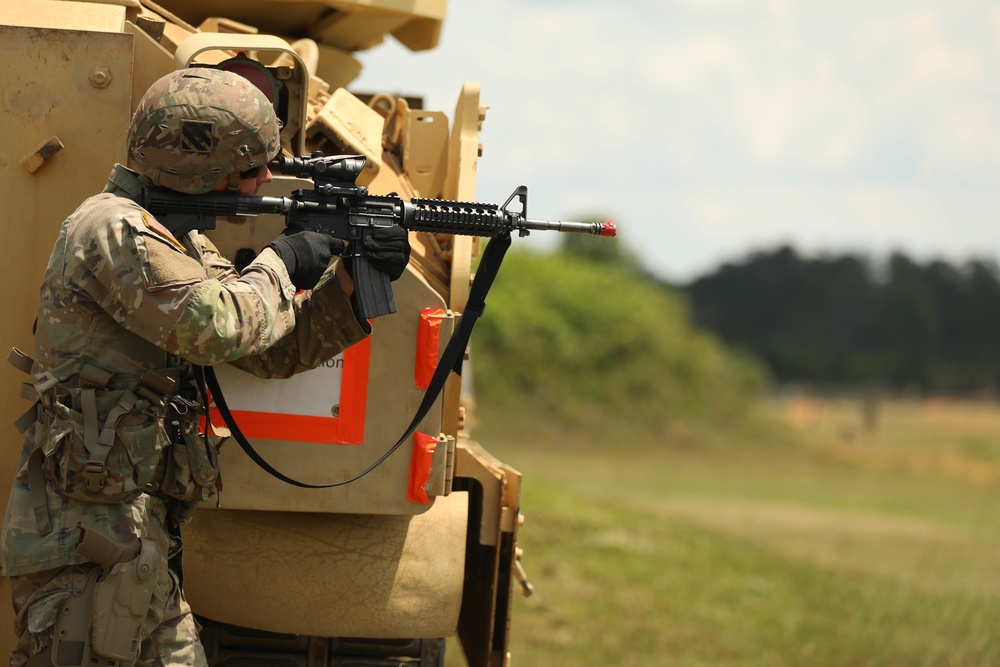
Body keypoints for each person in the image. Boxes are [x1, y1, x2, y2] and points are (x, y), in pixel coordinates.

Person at [0, 68, 410, 667]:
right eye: (248, 167)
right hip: (81, 544)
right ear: (196, 166)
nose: (263, 179)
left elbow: (264, 350)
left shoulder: (180, 243)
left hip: (135, 539)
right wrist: (285, 257)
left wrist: (348, 282)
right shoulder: (112, 229)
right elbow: (216, 326)